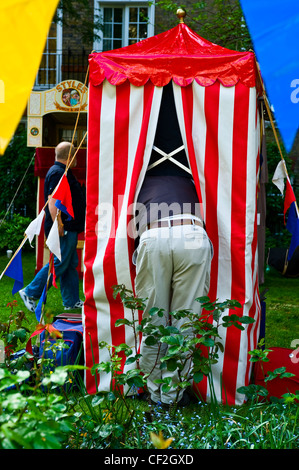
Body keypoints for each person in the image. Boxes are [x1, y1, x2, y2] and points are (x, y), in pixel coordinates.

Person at [134, 83, 213, 407]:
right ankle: (173, 395)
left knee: (154, 317)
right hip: (192, 236)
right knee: (185, 319)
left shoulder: (136, 177)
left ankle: (154, 394)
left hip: (153, 234)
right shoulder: (195, 176)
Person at [19, 141, 86, 312]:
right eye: (75, 155)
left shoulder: (62, 171)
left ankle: (71, 301)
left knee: (70, 263)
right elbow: (54, 201)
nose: (77, 158)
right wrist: (59, 224)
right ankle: (30, 292)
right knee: (59, 263)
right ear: (70, 156)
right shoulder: (57, 173)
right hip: (63, 227)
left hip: (69, 226)